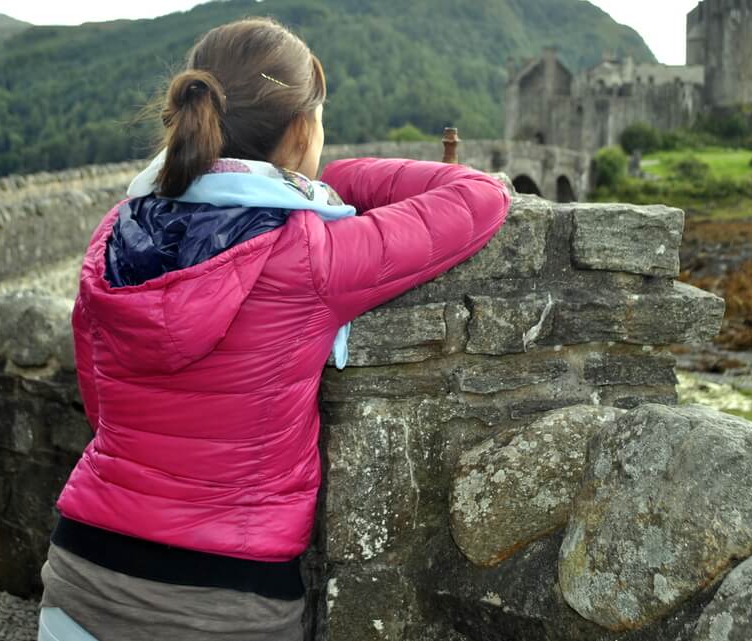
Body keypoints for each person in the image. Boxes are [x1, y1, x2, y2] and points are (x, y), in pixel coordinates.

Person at [37, 16, 511, 641]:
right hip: (228, 599)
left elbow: (98, 404)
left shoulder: (115, 234)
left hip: (85, 568)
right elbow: (477, 197)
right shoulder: (307, 253)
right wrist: (328, 179)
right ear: (299, 129)